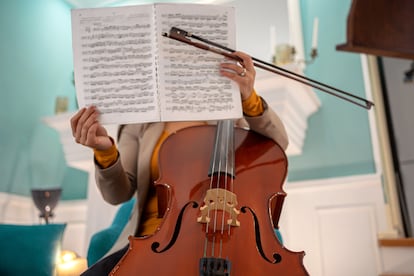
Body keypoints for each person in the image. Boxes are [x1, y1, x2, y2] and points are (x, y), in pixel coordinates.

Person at [71, 51, 289, 275]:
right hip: (153, 242)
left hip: (226, 236)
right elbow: (117, 194)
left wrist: (248, 98)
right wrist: (104, 151)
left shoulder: (231, 113)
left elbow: (278, 144)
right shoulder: (140, 121)